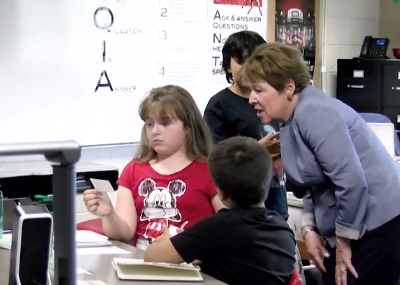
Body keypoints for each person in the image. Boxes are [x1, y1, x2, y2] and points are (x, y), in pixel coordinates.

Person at [242, 42, 400, 285]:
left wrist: (343, 245)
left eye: (259, 90)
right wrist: (310, 228)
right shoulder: (292, 120)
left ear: (289, 87)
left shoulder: (314, 112)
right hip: (354, 224)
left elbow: (351, 182)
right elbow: (314, 180)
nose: (251, 99)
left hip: (376, 224)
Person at [83, 85, 225, 250]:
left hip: (193, 264)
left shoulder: (210, 170)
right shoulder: (134, 169)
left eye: (165, 123)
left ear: (188, 127)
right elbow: (124, 233)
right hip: (144, 262)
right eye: (149, 124)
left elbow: (229, 225)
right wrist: (108, 214)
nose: (155, 131)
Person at [144, 136, 296, 285]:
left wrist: (165, 240)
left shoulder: (220, 225)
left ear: (221, 192)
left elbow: (153, 257)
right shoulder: (283, 228)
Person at [203, 30, 288, 221]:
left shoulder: (273, 98)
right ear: (228, 66)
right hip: (240, 201)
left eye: (254, 61)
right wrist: (257, 149)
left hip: (275, 193)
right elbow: (215, 158)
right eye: (241, 61)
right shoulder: (219, 105)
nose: (248, 68)